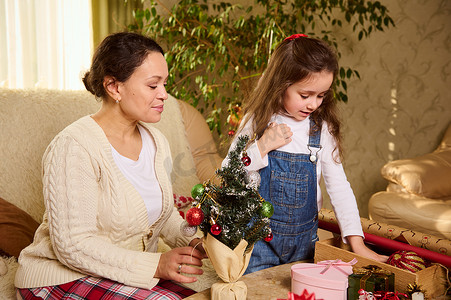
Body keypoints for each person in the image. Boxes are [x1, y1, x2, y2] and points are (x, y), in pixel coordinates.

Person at [15, 32, 206, 299]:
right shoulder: (74, 146)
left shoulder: (156, 141)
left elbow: (164, 216)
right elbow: (73, 246)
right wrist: (158, 264)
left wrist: (198, 241)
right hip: (61, 277)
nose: (164, 94)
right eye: (153, 85)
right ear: (114, 87)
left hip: (120, 274)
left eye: (165, 83)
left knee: (204, 295)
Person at [223, 34, 388, 274]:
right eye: (305, 95)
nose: (313, 104)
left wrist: (356, 241)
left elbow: (339, 186)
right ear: (281, 84)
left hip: (305, 247)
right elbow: (229, 171)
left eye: (321, 95)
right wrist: (262, 147)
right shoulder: (257, 121)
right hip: (258, 246)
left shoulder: (321, 129)